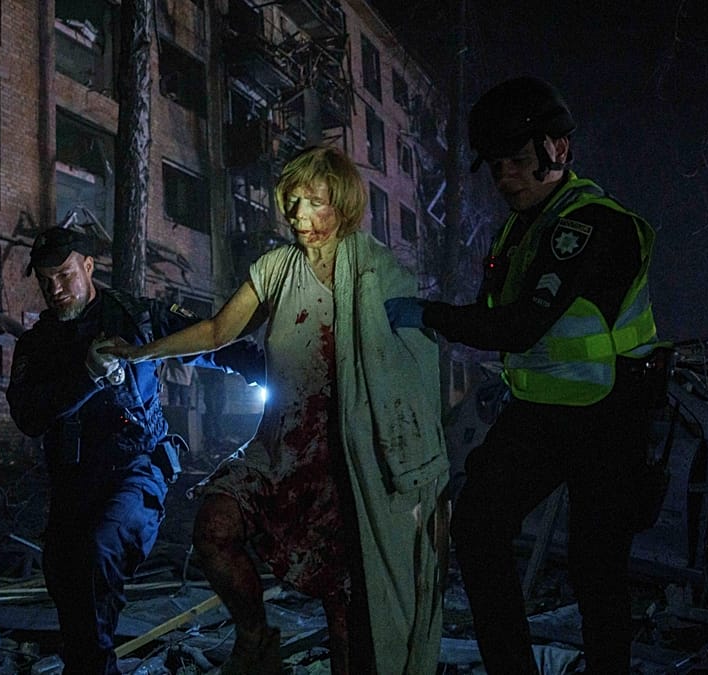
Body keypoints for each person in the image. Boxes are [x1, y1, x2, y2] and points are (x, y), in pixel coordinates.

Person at [105, 145, 449, 675]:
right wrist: (142, 352)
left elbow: (414, 369)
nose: (299, 216)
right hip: (280, 445)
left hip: (350, 459)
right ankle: (256, 637)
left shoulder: (379, 273)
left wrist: (416, 468)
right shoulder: (275, 268)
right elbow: (218, 330)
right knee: (215, 526)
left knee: (347, 610)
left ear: (343, 203)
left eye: (314, 202)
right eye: (292, 202)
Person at [386, 75, 664, 674]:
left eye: (516, 161)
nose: (505, 177)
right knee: (478, 526)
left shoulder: (593, 226)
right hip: (542, 414)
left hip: (610, 413)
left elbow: (518, 326)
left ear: (557, 149)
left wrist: (428, 314)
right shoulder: (523, 227)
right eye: (496, 166)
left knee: (597, 568)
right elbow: (497, 318)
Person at [5, 227, 264, 675]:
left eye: (65, 275)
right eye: (46, 281)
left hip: (136, 469)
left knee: (101, 550)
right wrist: (87, 376)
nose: (56, 289)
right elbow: (29, 416)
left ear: (88, 267)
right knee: (66, 580)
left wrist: (270, 368)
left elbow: (208, 339)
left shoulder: (135, 317)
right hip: (73, 483)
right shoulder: (37, 344)